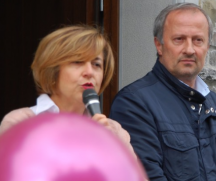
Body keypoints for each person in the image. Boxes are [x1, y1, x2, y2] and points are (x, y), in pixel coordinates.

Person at [110, 3, 216, 181]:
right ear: (159, 45)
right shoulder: (134, 103)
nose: (189, 49)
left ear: (207, 46)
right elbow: (147, 175)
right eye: (179, 39)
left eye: (198, 40)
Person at [0, 25, 133, 152]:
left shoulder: (114, 131)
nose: (89, 72)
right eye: (78, 62)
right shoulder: (21, 122)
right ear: (53, 70)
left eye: (96, 64)